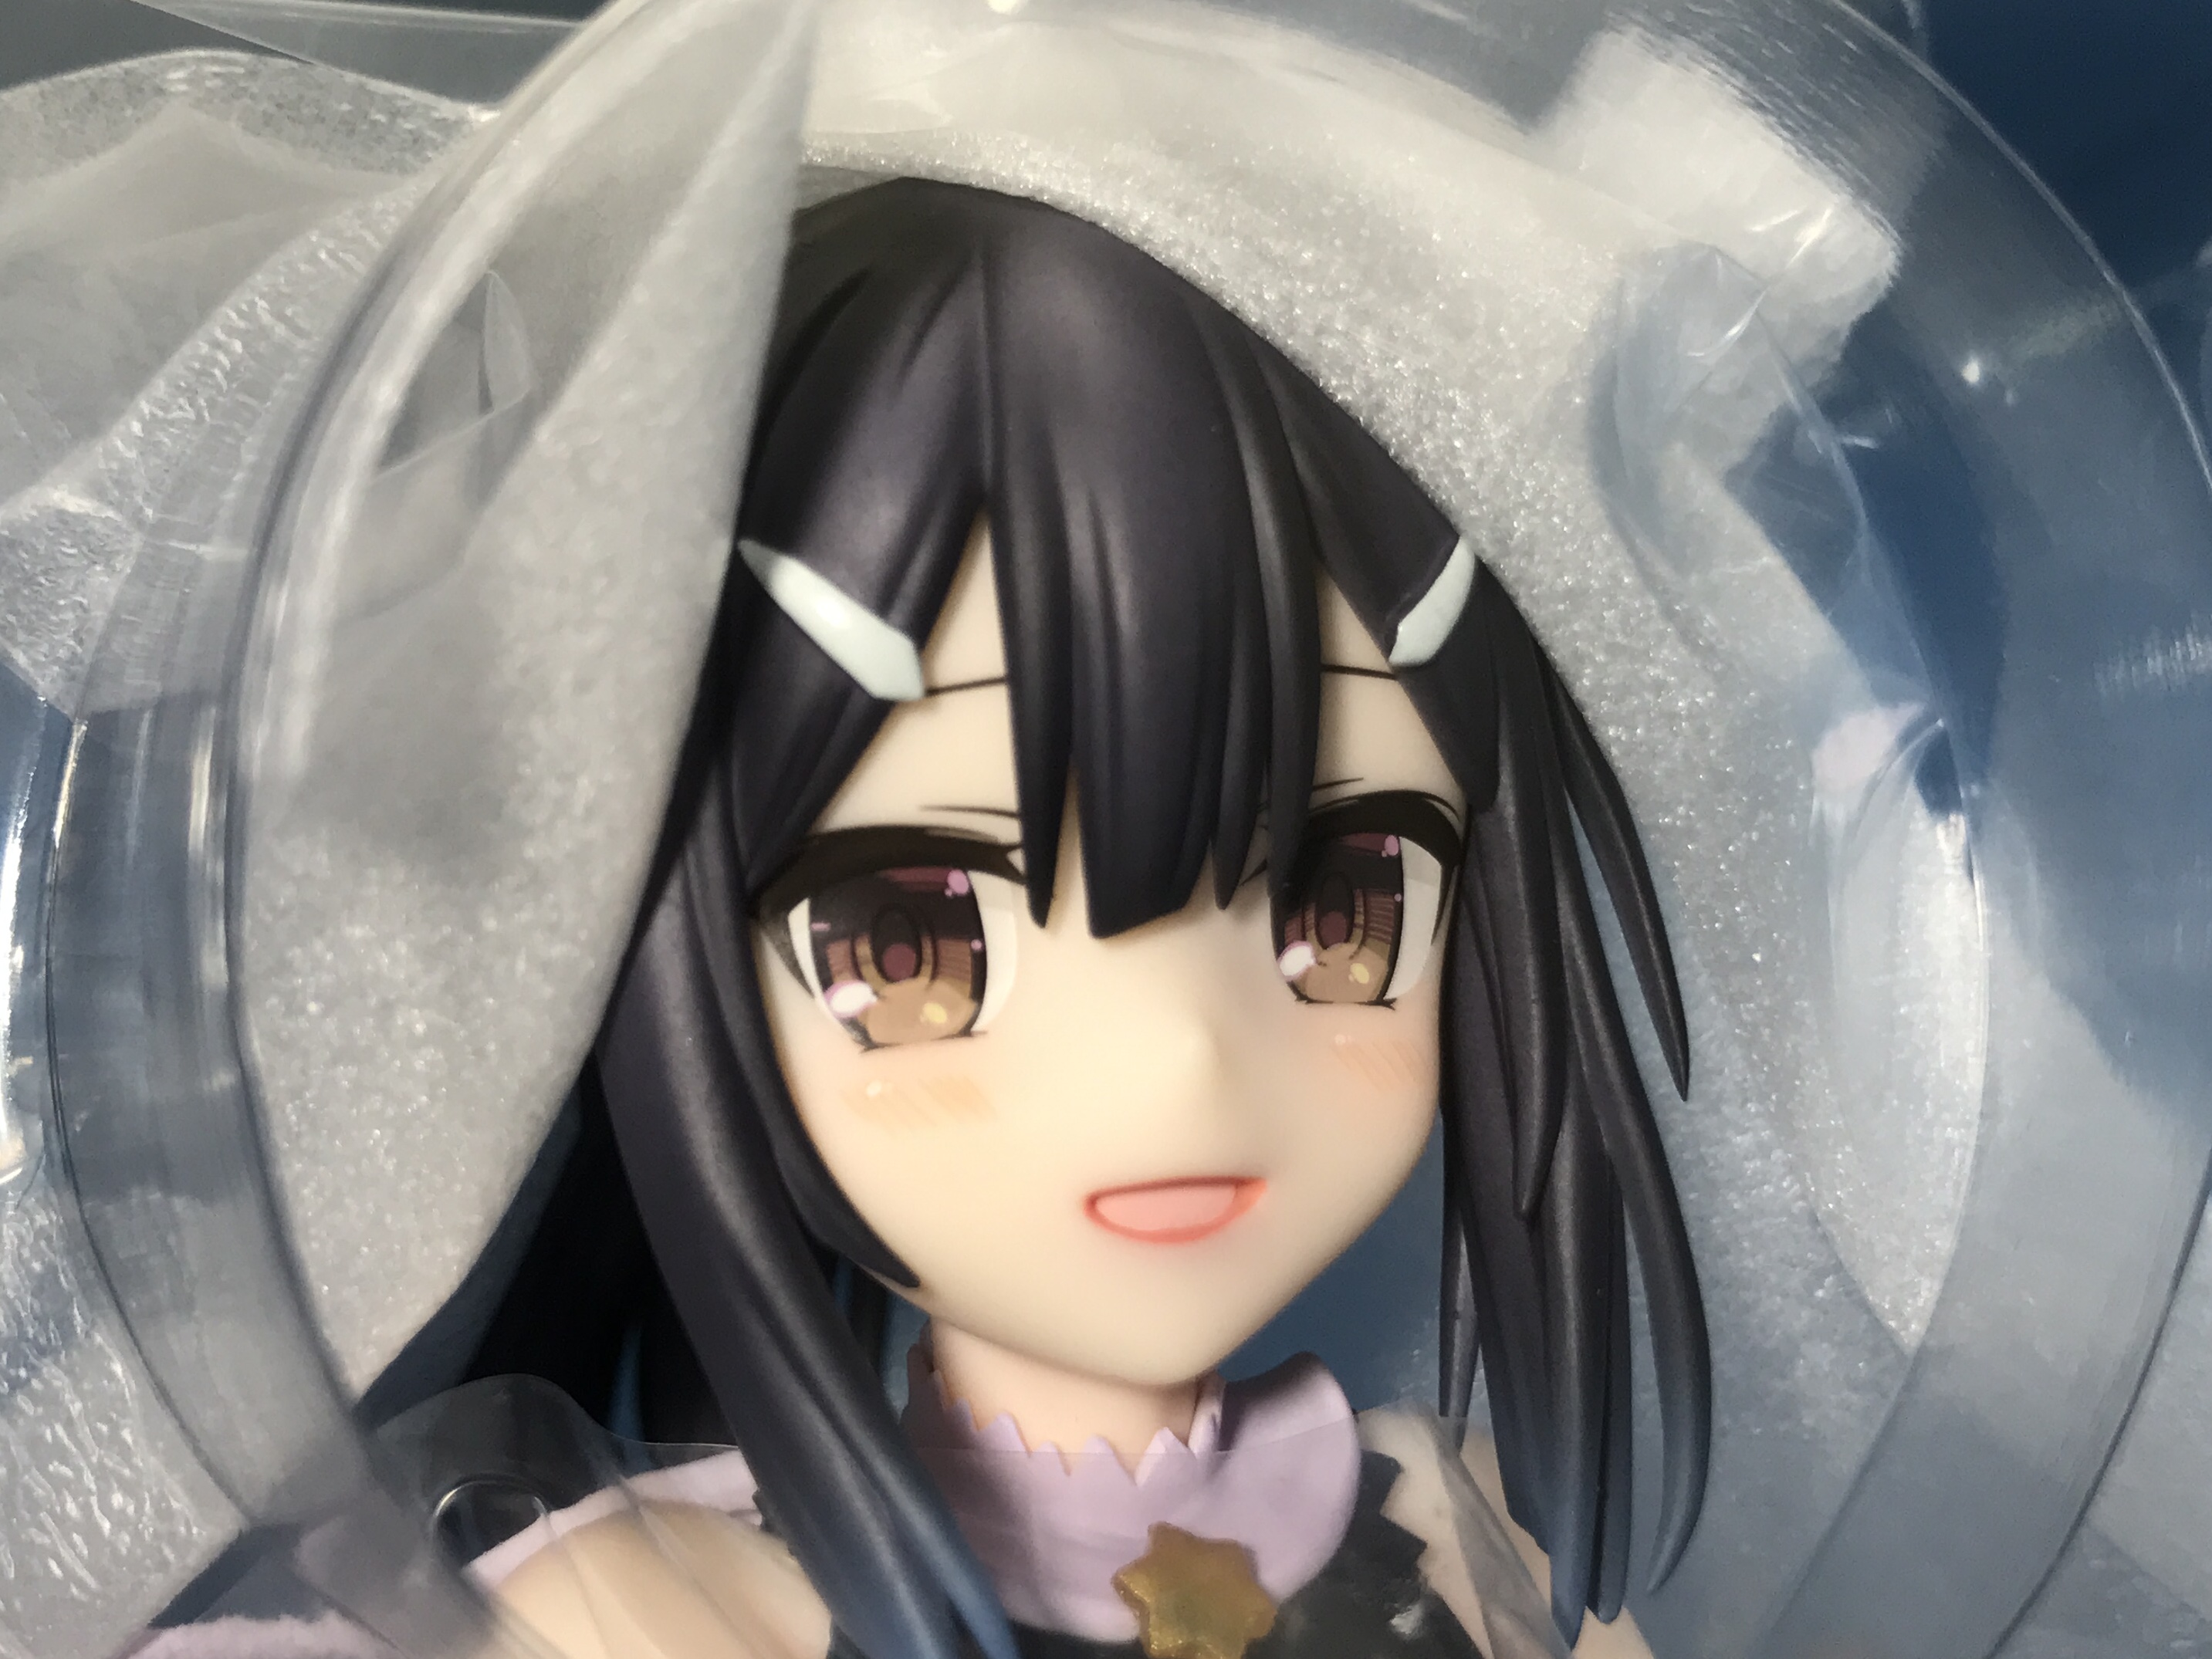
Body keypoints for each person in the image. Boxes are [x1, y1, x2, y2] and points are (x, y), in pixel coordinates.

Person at [484, 178, 1710, 1659]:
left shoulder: (1478, 1541)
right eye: (911, 945)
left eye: (1344, 906)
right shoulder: (641, 1620)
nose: (1179, 1056)